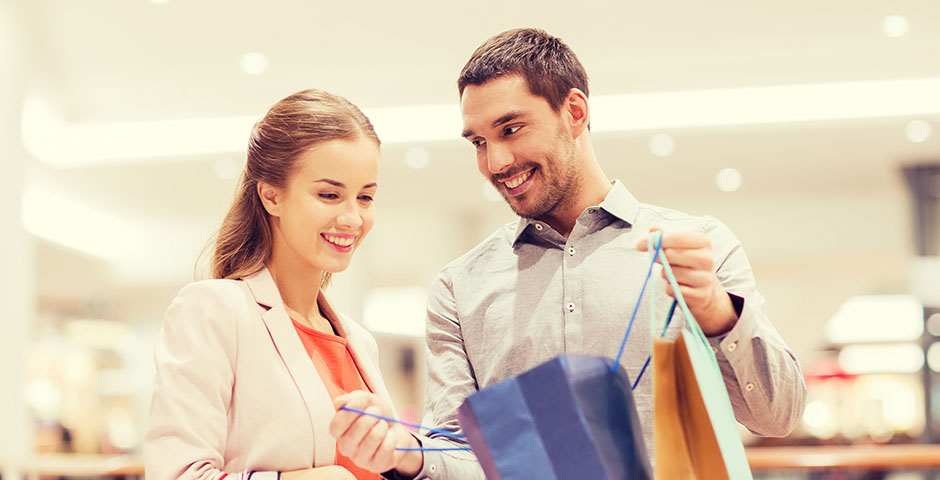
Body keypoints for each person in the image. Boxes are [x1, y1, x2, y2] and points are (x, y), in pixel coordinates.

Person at [338, 28, 808, 479]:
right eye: (479, 142)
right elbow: (461, 456)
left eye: (512, 128)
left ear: (575, 111)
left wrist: (719, 315)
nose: (496, 162)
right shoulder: (459, 288)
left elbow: (778, 415)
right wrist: (405, 451)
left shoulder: (699, 247)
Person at [145, 89, 423, 480]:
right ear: (271, 195)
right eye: (329, 194)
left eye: (365, 197)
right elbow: (175, 475)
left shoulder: (360, 341)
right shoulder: (214, 311)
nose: (352, 218)